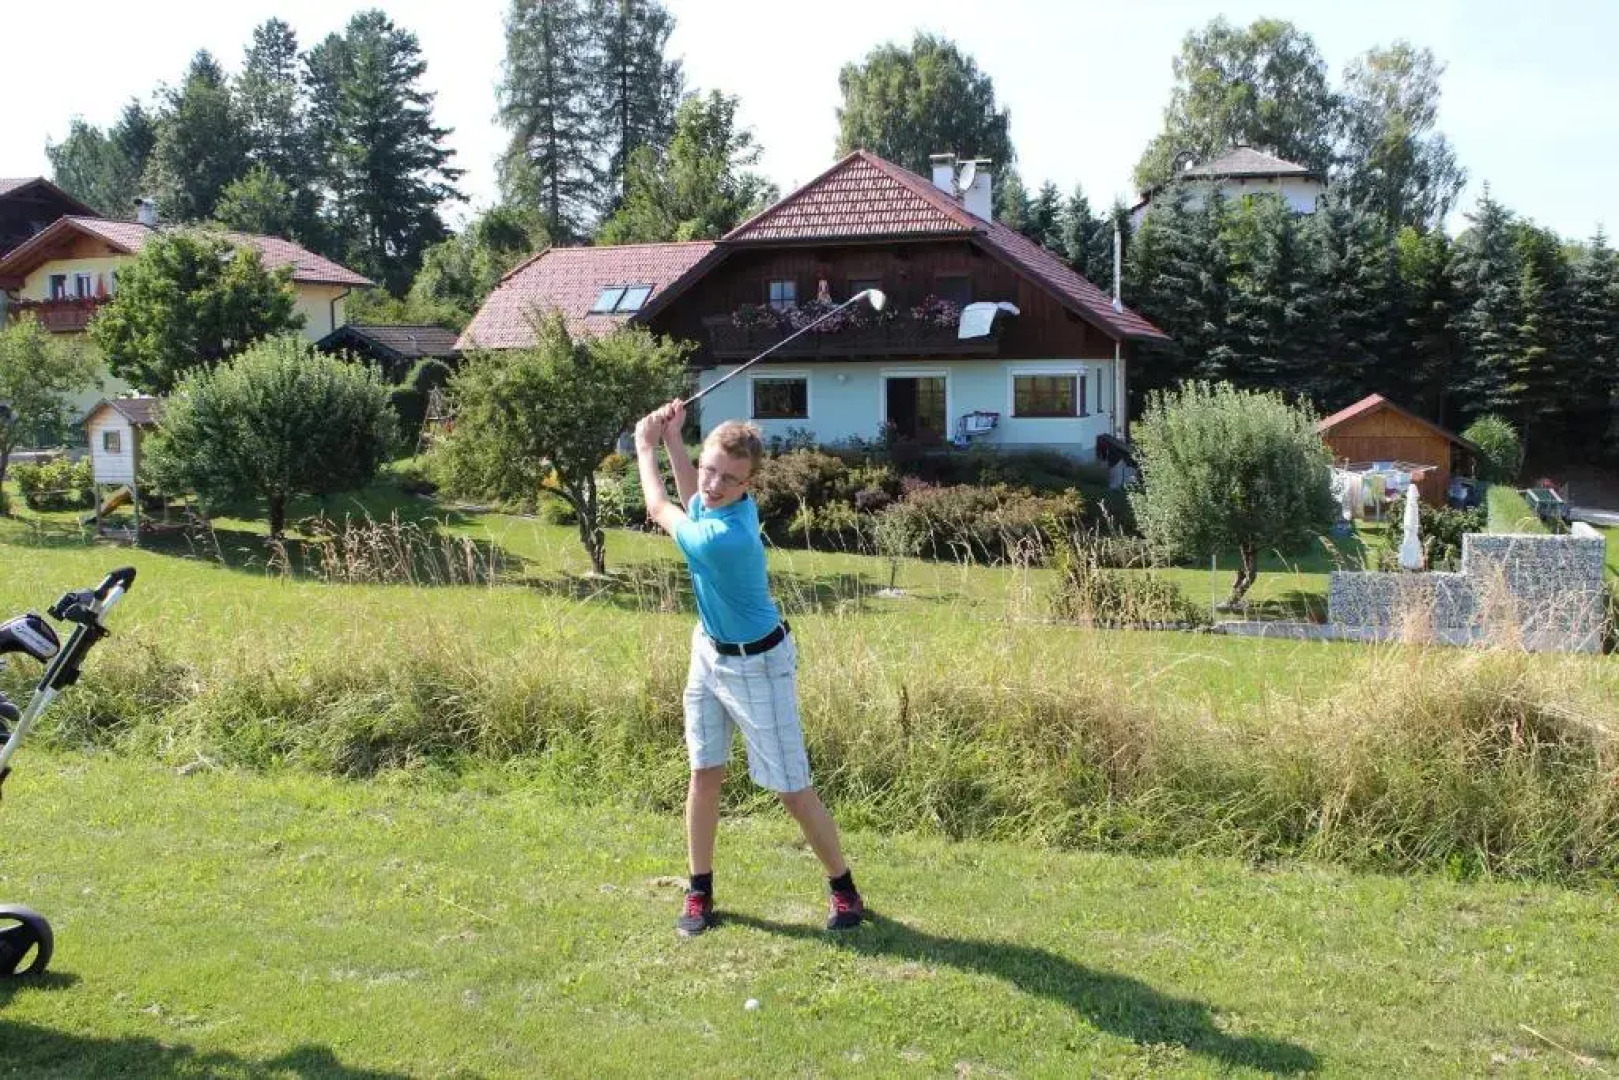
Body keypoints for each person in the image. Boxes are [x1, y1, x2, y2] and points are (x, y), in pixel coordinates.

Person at [632, 400, 864, 937]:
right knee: (704, 772)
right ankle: (699, 892)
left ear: (748, 485)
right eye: (709, 467)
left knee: (791, 787)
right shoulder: (720, 505)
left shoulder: (726, 536)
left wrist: (645, 446)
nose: (713, 484)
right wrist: (674, 438)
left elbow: (662, 505)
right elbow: (694, 495)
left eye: (728, 479)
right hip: (709, 653)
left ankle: (844, 889)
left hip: (759, 666)